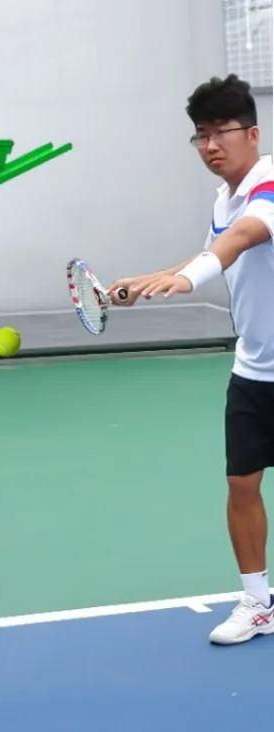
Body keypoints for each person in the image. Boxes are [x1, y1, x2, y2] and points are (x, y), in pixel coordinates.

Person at [108, 74, 274, 646]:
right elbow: (216, 252)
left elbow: (245, 237)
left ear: (252, 133)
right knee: (241, 483)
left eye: (221, 131)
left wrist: (187, 277)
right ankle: (258, 603)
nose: (210, 145)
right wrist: (149, 280)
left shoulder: (269, 184)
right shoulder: (224, 198)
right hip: (254, 369)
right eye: (201, 135)